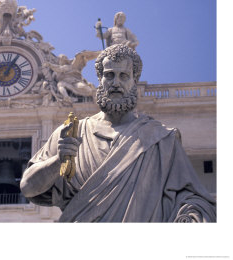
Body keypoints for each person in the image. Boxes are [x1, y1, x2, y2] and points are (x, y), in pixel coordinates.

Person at [20, 44, 216, 222]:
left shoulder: (161, 139)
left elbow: (193, 199)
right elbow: (28, 187)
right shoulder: (72, 132)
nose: (116, 83)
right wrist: (58, 161)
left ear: (134, 81)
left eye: (124, 76)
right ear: (100, 79)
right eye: (109, 75)